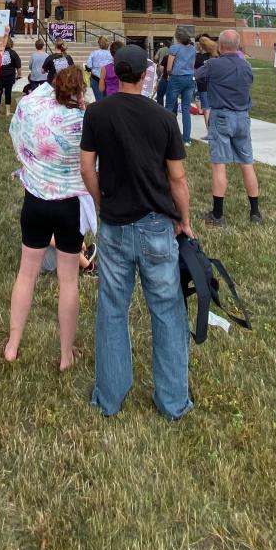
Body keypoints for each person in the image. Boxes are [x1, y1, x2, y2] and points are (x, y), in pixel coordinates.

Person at [80, 43, 193, 422]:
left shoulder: (97, 113)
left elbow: (86, 168)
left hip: (114, 224)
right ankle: (173, 401)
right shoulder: (163, 117)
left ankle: (109, 397)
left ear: (113, 73)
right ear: (146, 74)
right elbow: (177, 178)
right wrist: (184, 219)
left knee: (113, 308)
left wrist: (100, 203)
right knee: (167, 310)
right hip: (158, 225)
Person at [5, 65, 89, 369]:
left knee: (26, 273)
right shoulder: (85, 120)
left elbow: (16, 132)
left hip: (36, 201)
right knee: (68, 279)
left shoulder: (33, 110)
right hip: (71, 206)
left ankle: (13, 345)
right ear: (80, 91)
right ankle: (65, 354)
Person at [195, 30, 263, 227]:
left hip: (222, 115)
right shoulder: (246, 65)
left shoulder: (214, 64)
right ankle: (255, 212)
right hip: (243, 117)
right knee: (247, 162)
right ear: (238, 46)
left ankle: (217, 214)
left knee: (219, 163)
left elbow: (197, 77)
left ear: (221, 46)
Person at [0, 35, 21, 118]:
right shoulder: (13, 53)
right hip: (10, 76)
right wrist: (19, 74)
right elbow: (18, 65)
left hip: (0, 75)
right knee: (8, 92)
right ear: (11, 43)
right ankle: (8, 112)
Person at [85, 37, 113, 102]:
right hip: (108, 78)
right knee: (108, 99)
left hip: (95, 78)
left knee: (97, 99)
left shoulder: (93, 53)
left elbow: (89, 66)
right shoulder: (111, 54)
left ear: (99, 44)